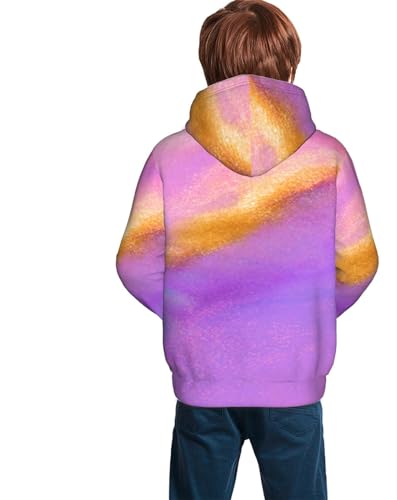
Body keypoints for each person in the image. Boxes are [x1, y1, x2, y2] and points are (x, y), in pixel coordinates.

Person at [115, 1, 379, 498]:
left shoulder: (170, 156)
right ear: (290, 62)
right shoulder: (327, 158)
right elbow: (359, 263)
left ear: (209, 62)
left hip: (204, 379)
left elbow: (134, 263)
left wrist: (197, 311)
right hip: (293, 381)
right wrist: (299, 311)